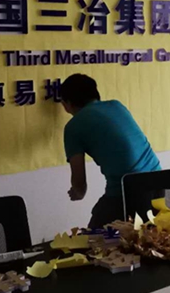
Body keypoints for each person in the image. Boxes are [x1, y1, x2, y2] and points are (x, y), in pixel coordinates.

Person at [60, 74, 161, 228]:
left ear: (66, 103)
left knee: (92, 237)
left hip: (126, 191)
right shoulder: (116, 105)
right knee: (147, 235)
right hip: (160, 182)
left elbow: (80, 186)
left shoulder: (73, 127)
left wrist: (77, 193)